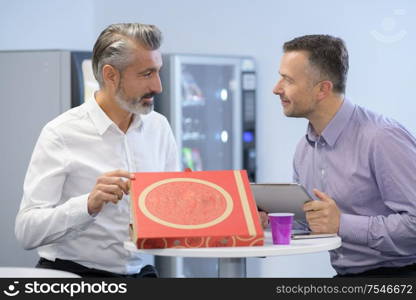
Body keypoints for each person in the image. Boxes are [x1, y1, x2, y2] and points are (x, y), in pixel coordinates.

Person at [15, 23, 179, 277]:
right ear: (111, 75)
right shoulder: (60, 133)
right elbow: (27, 231)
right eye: (146, 74)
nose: (158, 86)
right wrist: (88, 205)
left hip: (143, 272)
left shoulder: (160, 127)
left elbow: (174, 214)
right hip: (74, 276)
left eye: (158, 72)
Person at [273, 34, 416, 277]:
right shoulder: (305, 148)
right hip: (348, 277)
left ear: (322, 89)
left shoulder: (382, 137)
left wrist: (342, 224)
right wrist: (268, 222)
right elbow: (310, 222)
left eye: (287, 80)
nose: (276, 89)